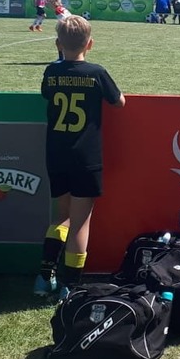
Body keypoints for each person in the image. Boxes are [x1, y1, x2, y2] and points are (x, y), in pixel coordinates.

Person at [34, 15, 126, 300]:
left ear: (58, 44)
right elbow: (119, 102)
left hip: (56, 153)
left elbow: (46, 94)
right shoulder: (96, 72)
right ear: (90, 44)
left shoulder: (52, 71)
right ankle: (69, 285)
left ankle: (43, 278)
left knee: (61, 216)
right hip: (85, 157)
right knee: (80, 223)